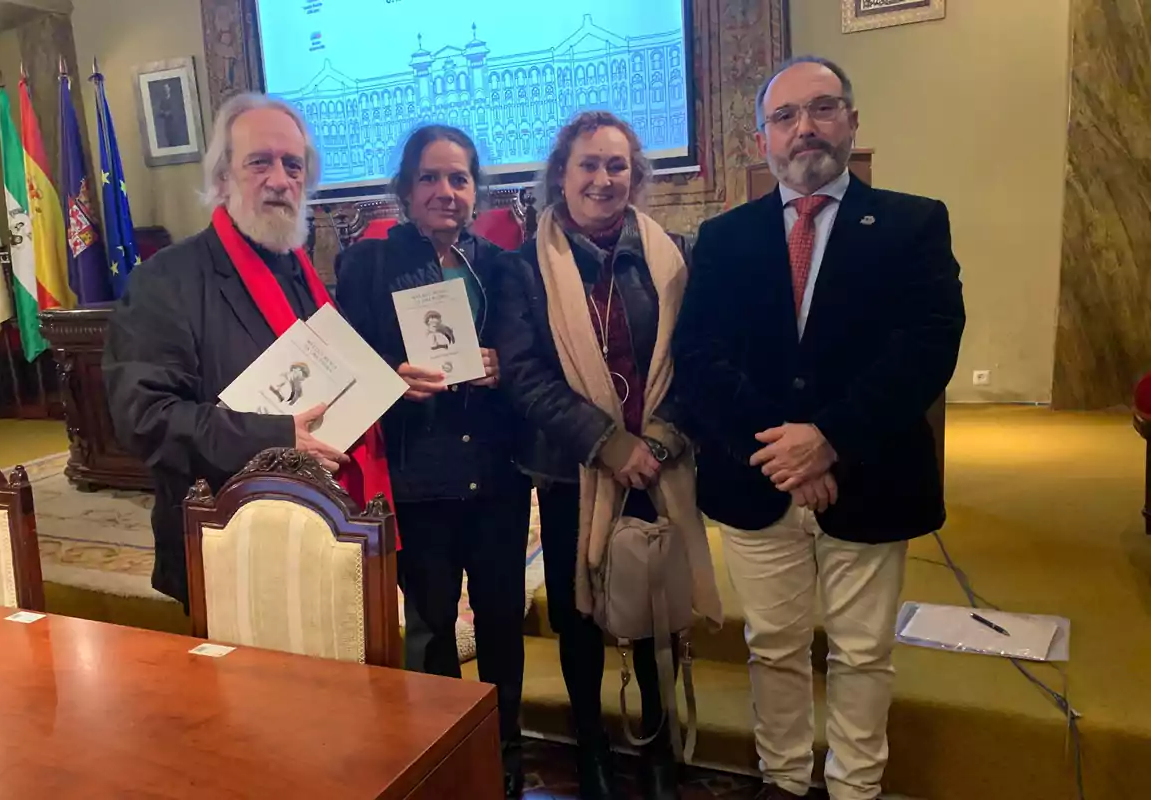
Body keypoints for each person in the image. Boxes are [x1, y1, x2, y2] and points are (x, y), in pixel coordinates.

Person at [673, 56, 966, 800]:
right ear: (762, 136)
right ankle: (783, 780)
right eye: (785, 116)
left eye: (823, 108)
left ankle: (855, 788)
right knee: (771, 647)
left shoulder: (912, 223)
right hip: (756, 477)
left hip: (869, 475)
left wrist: (829, 436)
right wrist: (790, 452)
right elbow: (700, 357)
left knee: (864, 653)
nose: (805, 128)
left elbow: (927, 349)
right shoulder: (723, 237)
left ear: (852, 121)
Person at [493, 111, 722, 800]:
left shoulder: (674, 254)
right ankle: (592, 748)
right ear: (560, 173)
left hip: (658, 462)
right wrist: (605, 442)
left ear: (636, 175)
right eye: (588, 164)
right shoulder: (522, 268)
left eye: (617, 165)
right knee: (578, 613)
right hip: (570, 471)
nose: (602, 178)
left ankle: (655, 747)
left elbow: (698, 361)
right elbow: (524, 374)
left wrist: (655, 441)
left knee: (655, 607)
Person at [104, 93, 391, 610]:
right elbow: (144, 418)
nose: (280, 180)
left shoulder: (305, 275)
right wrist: (280, 438)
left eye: (293, 165)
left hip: (323, 535)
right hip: (229, 543)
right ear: (221, 179)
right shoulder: (165, 281)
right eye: (259, 162)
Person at [334, 125, 531, 798]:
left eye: (459, 179)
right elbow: (347, 362)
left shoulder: (502, 266)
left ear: (477, 190)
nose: (445, 192)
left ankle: (505, 758)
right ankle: (444, 760)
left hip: (500, 478)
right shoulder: (369, 265)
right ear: (405, 189)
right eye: (429, 178)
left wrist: (504, 364)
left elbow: (525, 353)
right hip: (421, 477)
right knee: (430, 627)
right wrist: (394, 376)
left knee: (504, 624)